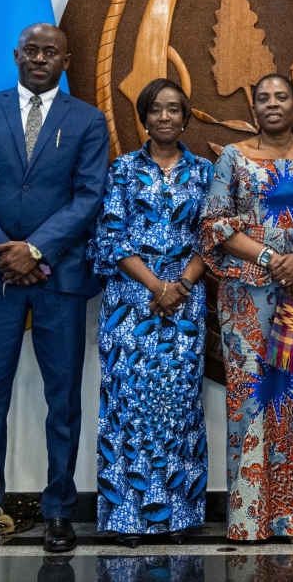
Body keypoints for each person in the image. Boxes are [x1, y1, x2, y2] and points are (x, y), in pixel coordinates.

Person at [0, 23, 109, 556]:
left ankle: (59, 512)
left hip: (59, 275)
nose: (40, 58)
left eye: (50, 52)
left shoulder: (87, 119)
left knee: (62, 399)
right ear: (16, 55)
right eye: (31, 51)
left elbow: (90, 196)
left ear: (67, 59)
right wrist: (5, 251)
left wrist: (34, 249)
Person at [200, 73, 293, 542]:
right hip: (246, 296)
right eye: (262, 97)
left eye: (280, 96)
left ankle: (289, 518)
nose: (271, 104)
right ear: (254, 107)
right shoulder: (232, 158)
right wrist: (269, 258)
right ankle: (247, 519)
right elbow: (216, 225)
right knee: (250, 398)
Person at [88, 78, 212, 547]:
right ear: (143, 117)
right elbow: (112, 237)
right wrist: (157, 285)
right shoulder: (121, 170)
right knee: (128, 408)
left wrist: (179, 284)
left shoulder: (204, 171)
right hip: (129, 304)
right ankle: (127, 520)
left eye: (174, 109)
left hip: (185, 301)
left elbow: (211, 236)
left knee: (178, 407)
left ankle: (179, 516)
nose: (165, 117)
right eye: (156, 109)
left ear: (185, 117)